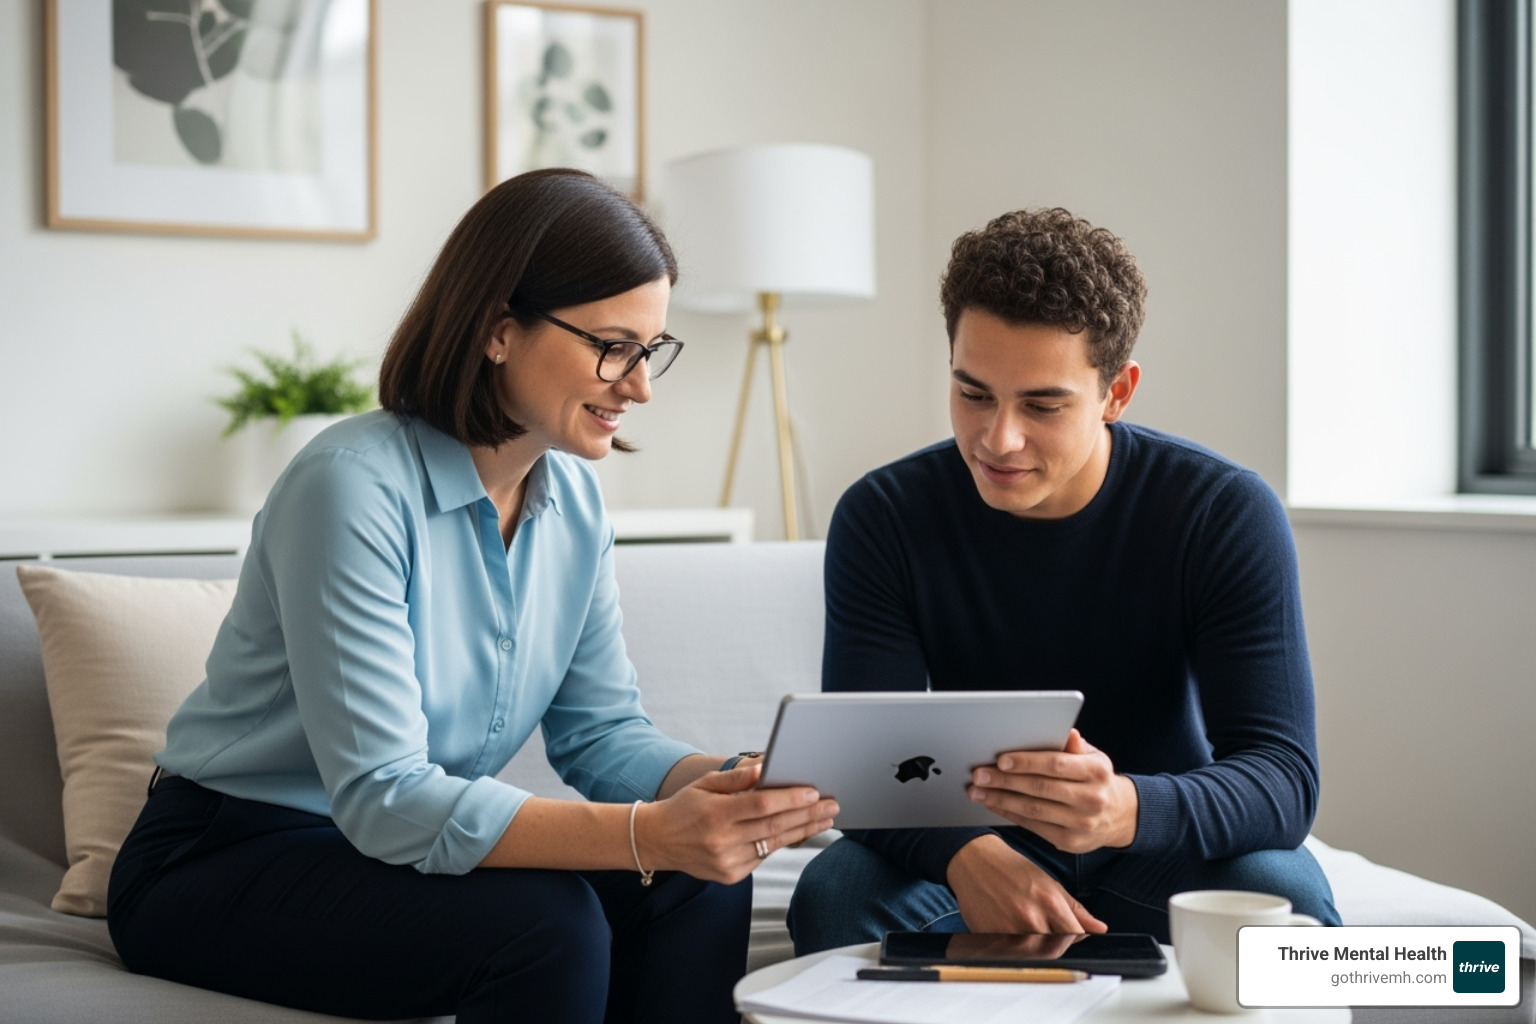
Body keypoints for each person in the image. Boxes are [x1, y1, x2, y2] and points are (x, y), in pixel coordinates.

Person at [107, 169, 839, 1024]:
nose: (639, 387)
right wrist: (647, 832)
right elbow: (385, 793)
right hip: (224, 855)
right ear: (499, 331)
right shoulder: (351, 487)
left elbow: (602, 733)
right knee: (548, 927)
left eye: (651, 351)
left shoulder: (574, 504)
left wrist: (731, 784)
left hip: (386, 852)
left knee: (696, 887)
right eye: (613, 346)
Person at [787, 207, 1339, 954]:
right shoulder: (884, 516)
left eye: (1043, 405)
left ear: (1118, 392)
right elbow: (860, 758)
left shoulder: (1221, 512)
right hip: (976, 848)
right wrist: (968, 854)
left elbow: (1282, 777)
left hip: (1154, 843)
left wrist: (1126, 808)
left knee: (1289, 897)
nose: (998, 438)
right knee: (837, 893)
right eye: (973, 392)